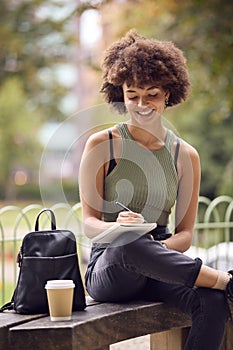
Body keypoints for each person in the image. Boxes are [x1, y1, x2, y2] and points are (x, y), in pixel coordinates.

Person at [79, 29, 233, 350]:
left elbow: (185, 234)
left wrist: (156, 251)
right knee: (130, 245)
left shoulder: (185, 155)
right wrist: (118, 228)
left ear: (168, 94)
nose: (141, 104)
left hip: (162, 262)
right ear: (119, 94)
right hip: (111, 264)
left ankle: (219, 287)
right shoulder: (102, 144)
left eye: (151, 94)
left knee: (211, 302)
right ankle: (226, 281)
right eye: (132, 94)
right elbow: (89, 224)